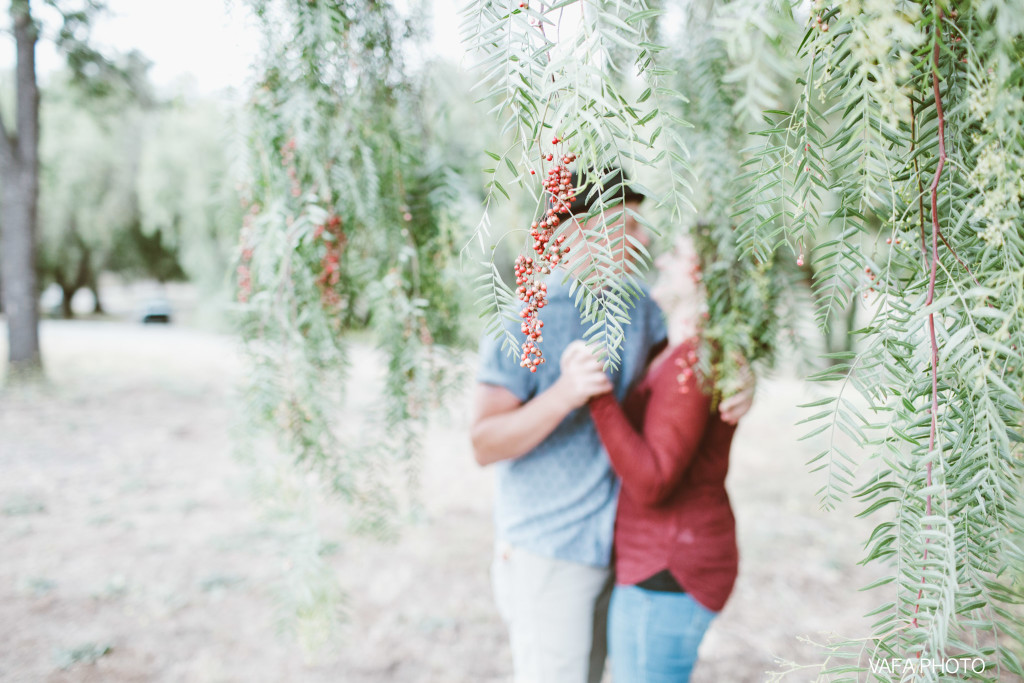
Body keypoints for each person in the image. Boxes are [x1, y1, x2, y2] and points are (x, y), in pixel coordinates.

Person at [471, 170, 751, 683]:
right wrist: (564, 395)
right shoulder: (527, 317)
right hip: (550, 550)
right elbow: (484, 443)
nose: (644, 240)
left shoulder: (639, 307)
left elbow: (682, 374)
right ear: (580, 233)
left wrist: (741, 377)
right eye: (628, 225)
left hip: (621, 549)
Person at [559, 233, 750, 682]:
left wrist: (597, 396)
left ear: (704, 272)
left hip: (668, 568)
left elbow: (653, 481)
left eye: (678, 254)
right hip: (665, 563)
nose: (660, 259)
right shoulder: (680, 351)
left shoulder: (692, 359)